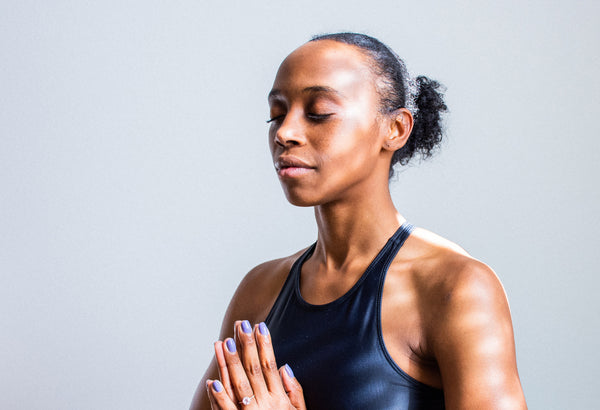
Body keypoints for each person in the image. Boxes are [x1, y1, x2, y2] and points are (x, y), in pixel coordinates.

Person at [190, 32, 526, 409]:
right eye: (277, 113)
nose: (285, 133)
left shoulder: (455, 288)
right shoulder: (260, 290)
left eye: (318, 112)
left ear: (395, 129)